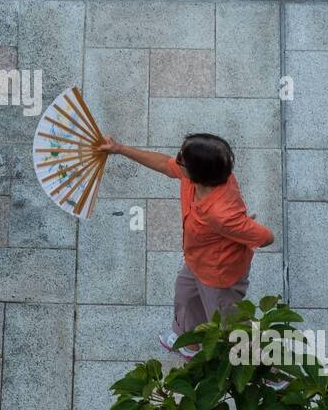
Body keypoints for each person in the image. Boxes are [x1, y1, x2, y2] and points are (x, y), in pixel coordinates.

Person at [98, 132, 273, 356]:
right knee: (186, 297)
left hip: (219, 275)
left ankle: (269, 368)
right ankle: (188, 343)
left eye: (182, 158)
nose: (177, 159)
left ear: (198, 173)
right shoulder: (199, 177)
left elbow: (266, 238)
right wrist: (120, 148)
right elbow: (163, 164)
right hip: (196, 261)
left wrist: (239, 230)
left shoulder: (222, 213)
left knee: (231, 325)